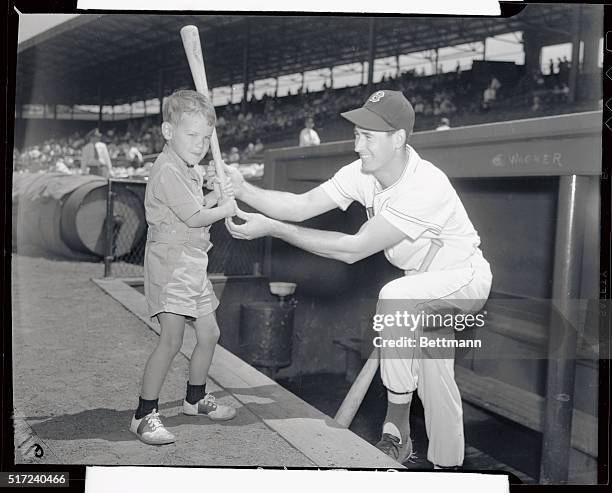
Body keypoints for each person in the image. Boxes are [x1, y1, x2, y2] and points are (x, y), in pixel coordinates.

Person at [220, 90, 492, 469]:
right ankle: (450, 468)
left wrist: (274, 230)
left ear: (398, 139)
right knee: (435, 379)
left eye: (369, 136)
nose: (358, 145)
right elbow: (302, 206)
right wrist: (244, 189)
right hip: (421, 283)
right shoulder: (361, 172)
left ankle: (395, 430)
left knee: (396, 297)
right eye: (357, 134)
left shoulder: (425, 185)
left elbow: (352, 249)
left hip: (464, 280)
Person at [130, 90, 238, 446]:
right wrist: (224, 207)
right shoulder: (166, 169)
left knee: (209, 335)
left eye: (206, 137)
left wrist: (217, 196)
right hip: (170, 265)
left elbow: (196, 207)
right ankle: (144, 415)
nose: (200, 143)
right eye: (191, 135)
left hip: (194, 263)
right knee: (172, 339)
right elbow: (193, 217)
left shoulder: (188, 168)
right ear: (167, 131)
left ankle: (194, 399)